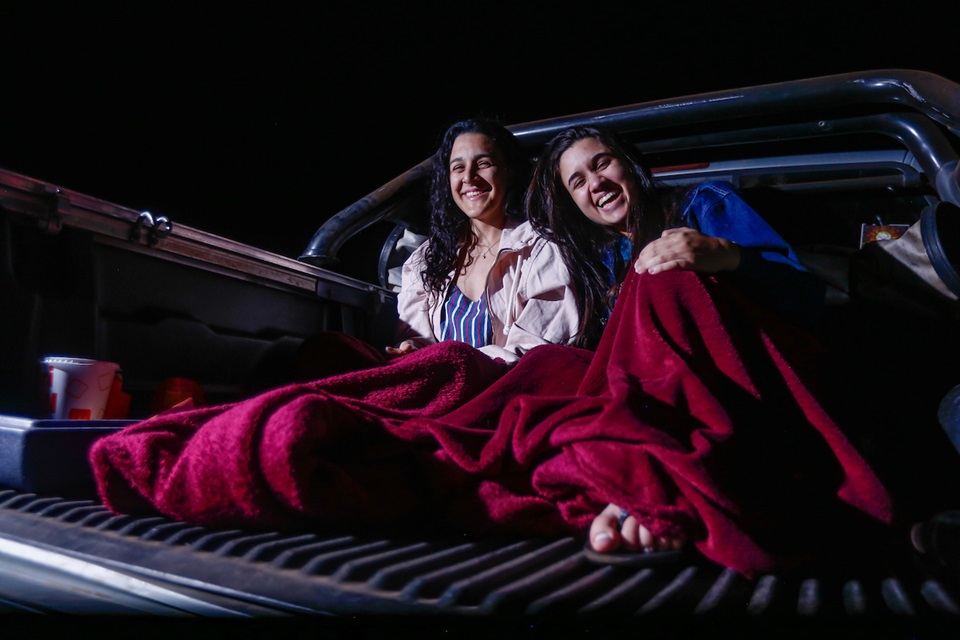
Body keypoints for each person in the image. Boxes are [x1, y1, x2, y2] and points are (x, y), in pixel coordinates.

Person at [525, 125, 883, 562]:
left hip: (756, 383)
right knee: (546, 363)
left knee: (666, 279)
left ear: (629, 164)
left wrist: (727, 255)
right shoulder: (598, 266)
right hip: (667, 398)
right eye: (577, 181)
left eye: (602, 163)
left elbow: (807, 300)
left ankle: (656, 482)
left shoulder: (701, 204)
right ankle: (626, 467)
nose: (595, 183)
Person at [389, 117, 580, 364]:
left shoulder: (542, 248)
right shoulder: (426, 258)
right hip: (439, 385)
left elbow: (537, 348)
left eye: (483, 163)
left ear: (509, 172)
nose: (469, 177)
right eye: (458, 167)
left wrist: (458, 365)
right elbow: (417, 337)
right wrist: (410, 348)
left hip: (504, 390)